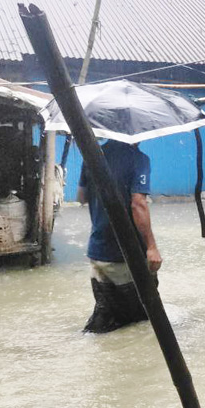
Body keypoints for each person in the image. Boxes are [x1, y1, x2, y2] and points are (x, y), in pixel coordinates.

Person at [77, 140, 162, 333]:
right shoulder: (138, 159)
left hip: (97, 252)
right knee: (141, 322)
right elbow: (138, 204)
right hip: (126, 255)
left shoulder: (91, 156)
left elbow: (81, 197)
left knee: (106, 318)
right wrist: (151, 247)